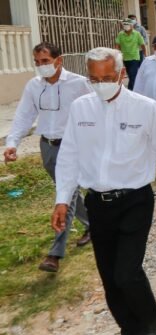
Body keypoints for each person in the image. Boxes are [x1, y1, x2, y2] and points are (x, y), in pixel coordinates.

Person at [52, 47, 156, 335]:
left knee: (126, 271)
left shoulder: (145, 108)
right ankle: (128, 331)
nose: (101, 84)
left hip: (135, 199)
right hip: (98, 203)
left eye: (108, 77)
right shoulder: (81, 108)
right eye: (94, 78)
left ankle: (151, 319)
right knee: (109, 276)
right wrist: (62, 201)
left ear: (122, 74)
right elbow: (68, 157)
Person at [3, 42, 92, 273]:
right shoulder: (33, 86)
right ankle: (93, 224)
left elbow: (95, 112)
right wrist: (12, 143)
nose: (41, 66)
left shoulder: (79, 83)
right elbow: (24, 115)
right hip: (48, 147)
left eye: (45, 61)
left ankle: (55, 253)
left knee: (66, 196)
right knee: (67, 191)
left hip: (72, 148)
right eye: (37, 62)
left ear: (58, 60)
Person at [114, 18, 146, 90]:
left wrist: (145, 54)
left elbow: (142, 44)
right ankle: (136, 88)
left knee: (132, 76)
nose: (126, 26)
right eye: (124, 24)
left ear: (132, 25)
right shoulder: (120, 34)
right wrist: (117, 53)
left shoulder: (137, 34)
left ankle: (131, 90)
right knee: (130, 75)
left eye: (127, 24)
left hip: (134, 58)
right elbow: (117, 44)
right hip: (125, 58)